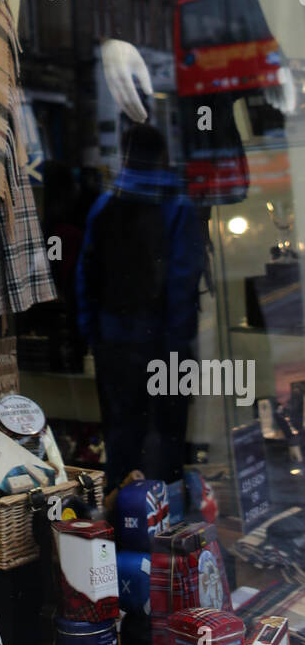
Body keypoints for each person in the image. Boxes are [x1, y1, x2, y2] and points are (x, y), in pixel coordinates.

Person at [76, 122, 204, 491]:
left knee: (121, 432)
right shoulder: (177, 205)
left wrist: (92, 335)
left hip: (113, 340)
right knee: (168, 433)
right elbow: (183, 280)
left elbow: (86, 274)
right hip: (165, 342)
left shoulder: (105, 203)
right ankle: (169, 520)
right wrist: (178, 344)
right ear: (164, 157)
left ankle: (124, 517)